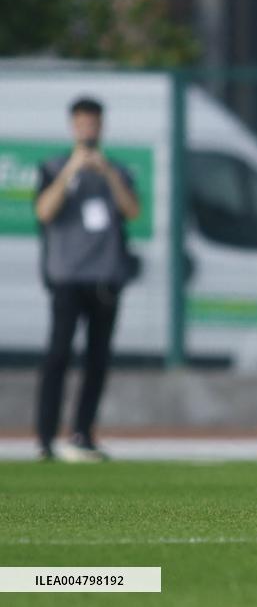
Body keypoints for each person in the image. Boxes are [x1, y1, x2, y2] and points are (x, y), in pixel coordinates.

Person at [34, 97, 141, 462]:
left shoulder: (117, 170)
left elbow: (132, 210)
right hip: (67, 276)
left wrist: (106, 172)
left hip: (104, 278)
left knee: (97, 359)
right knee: (58, 356)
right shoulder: (53, 167)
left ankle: (83, 433)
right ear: (73, 126)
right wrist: (71, 172)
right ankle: (45, 437)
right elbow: (44, 211)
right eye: (82, 123)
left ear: (101, 126)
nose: (88, 129)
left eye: (93, 123)